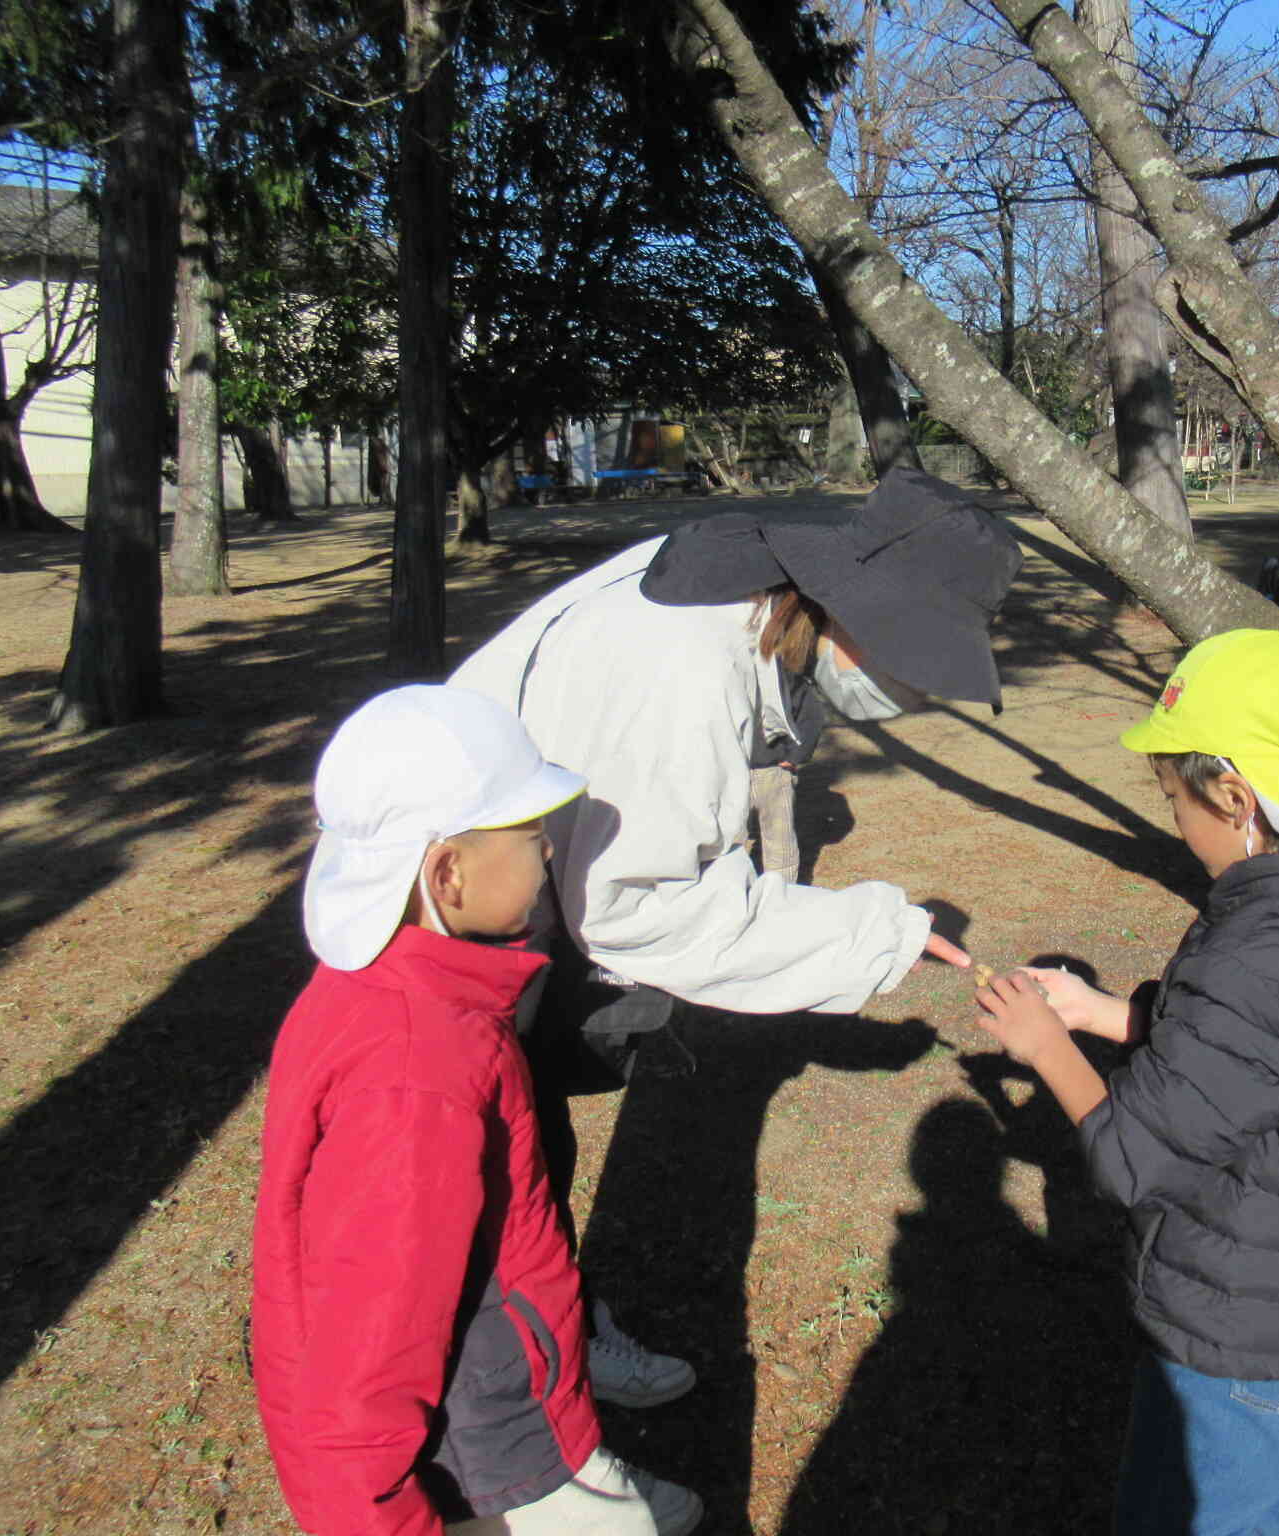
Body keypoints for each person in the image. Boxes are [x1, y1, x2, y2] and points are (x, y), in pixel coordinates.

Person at [450, 465, 1020, 1399]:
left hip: (506, 884)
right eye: (914, 667)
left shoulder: (745, 602)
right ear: (853, 615)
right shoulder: (680, 670)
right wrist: (874, 934)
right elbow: (635, 905)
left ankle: (544, 1336)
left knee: (519, 1153)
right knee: (492, 1171)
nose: (914, 694)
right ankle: (527, 1398)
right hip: (466, 914)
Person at [975, 629, 1279, 1535]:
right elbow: (1269, 1058)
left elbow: (1132, 1161)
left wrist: (1045, 1048)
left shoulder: (1260, 963)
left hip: (1249, 1327)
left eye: (1174, 799)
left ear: (1236, 796)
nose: (1173, 822)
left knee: (1226, 1514)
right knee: (1227, 1500)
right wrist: (1108, 1015)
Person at [252, 686, 702, 1536]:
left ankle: (591, 1479)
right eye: (533, 841)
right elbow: (364, 1357)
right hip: (487, 1441)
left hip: (506, 1386)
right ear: (447, 872)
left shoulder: (388, 993)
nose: (545, 860)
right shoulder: (419, 1068)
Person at [746, 666, 826, 884]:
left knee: (779, 846)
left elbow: (812, 714)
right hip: (728, 772)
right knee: (725, 845)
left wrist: (795, 755)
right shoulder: (713, 667)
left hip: (773, 771)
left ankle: (781, 902)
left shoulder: (782, 670)